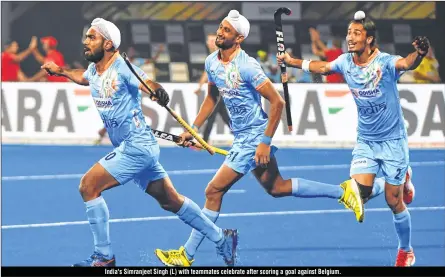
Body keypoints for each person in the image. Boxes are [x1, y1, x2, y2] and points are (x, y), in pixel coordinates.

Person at [154, 10, 364, 267]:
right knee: (277, 188)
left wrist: (264, 141)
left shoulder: (247, 65)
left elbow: (277, 102)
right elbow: (212, 98)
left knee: (213, 190)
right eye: (221, 27)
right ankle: (342, 192)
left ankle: (187, 255)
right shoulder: (211, 62)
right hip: (241, 136)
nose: (220, 32)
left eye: (227, 31)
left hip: (254, 137)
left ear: (239, 38)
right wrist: (194, 129)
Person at [41, 17, 238, 267]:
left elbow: (147, 82)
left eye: (92, 37)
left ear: (109, 43)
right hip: (135, 146)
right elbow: (84, 77)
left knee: (88, 186)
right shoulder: (95, 69)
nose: (86, 41)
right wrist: (61, 71)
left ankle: (104, 257)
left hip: (136, 148)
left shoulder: (122, 66)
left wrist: (157, 90)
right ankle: (222, 239)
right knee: (171, 200)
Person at [276, 11, 422, 266]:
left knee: (393, 201)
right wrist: (291, 61)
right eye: (348, 33)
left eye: (356, 33)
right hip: (366, 140)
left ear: (370, 39)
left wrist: (418, 54)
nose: (350, 38)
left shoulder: (385, 62)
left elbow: (407, 64)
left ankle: (406, 250)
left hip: (393, 142)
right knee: (358, 195)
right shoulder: (345, 62)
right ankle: (401, 178)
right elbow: (321, 67)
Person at [194, 33, 231, 143]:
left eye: (212, 40)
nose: (210, 43)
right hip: (216, 90)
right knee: (224, 117)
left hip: (221, 89)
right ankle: (242, 137)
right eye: (208, 41)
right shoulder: (211, 56)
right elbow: (206, 73)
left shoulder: (221, 53)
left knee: (211, 115)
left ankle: (204, 142)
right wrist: (200, 87)